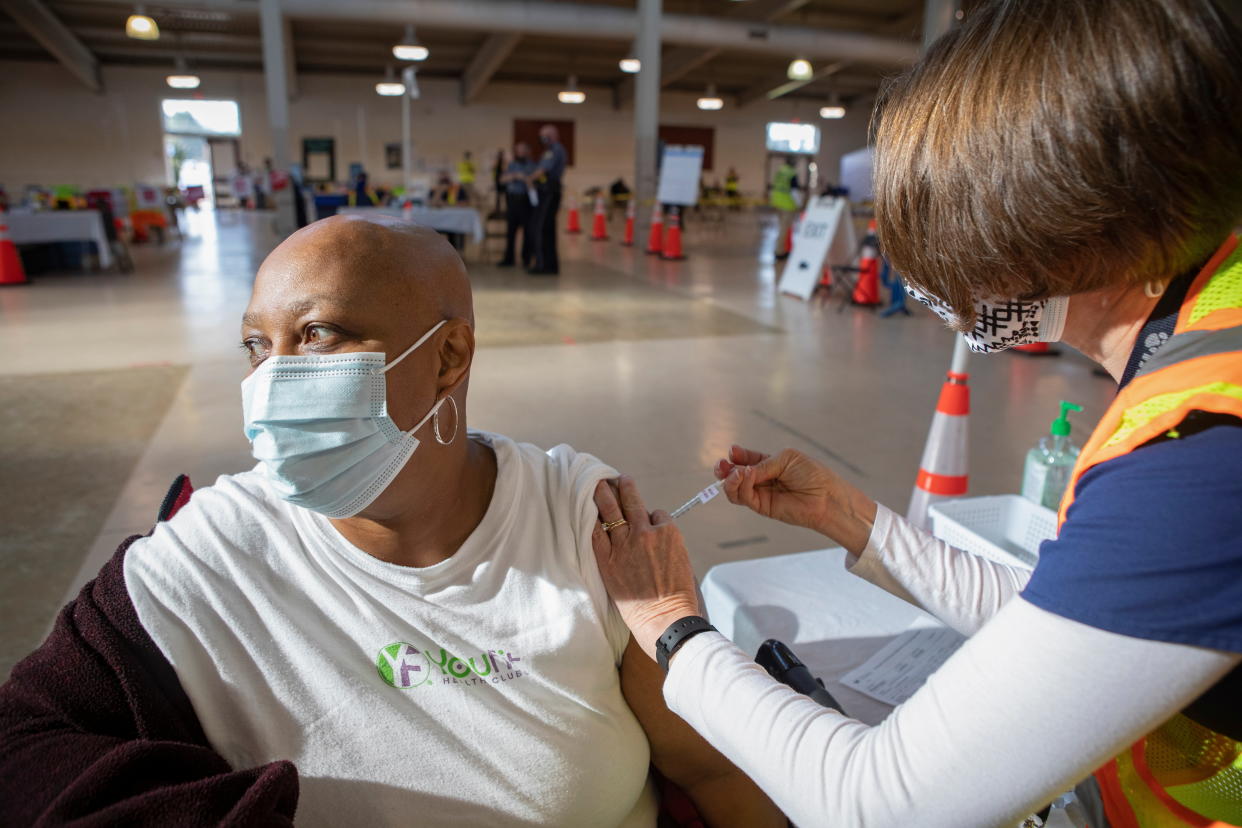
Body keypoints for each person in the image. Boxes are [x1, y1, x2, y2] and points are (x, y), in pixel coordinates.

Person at [589, 2, 1242, 826]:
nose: (944, 289)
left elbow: (879, 804)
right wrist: (856, 521)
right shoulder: (1207, 334)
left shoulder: (1199, 452)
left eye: (960, 247)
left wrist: (671, 628)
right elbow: (1075, 616)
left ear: (1068, 228)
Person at [0, 215, 781, 827]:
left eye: (317, 335)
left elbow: (709, 770)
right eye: (255, 346)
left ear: (449, 357)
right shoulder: (212, 557)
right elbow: (21, 748)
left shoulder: (582, 521)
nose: (272, 379)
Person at [526, 124, 567, 276]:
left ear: (552, 135)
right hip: (545, 192)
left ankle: (544, 265)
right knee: (544, 229)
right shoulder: (549, 151)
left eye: (545, 135)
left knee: (541, 228)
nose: (542, 138)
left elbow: (543, 170)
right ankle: (548, 265)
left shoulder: (555, 150)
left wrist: (529, 179)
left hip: (549, 192)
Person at [497, 141, 535, 268]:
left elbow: (531, 180)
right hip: (512, 200)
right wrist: (515, 176)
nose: (520, 152)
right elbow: (502, 180)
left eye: (522, 150)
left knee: (528, 231)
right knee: (511, 231)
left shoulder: (532, 165)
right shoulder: (511, 165)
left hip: (525, 200)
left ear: (527, 151)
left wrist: (523, 178)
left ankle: (526, 258)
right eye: (518, 150)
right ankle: (509, 258)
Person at [768, 156, 800, 259]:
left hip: (778, 202)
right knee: (784, 229)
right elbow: (794, 192)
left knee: (782, 227)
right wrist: (799, 204)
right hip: (787, 204)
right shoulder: (792, 173)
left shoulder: (780, 171)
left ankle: (784, 248)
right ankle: (779, 252)